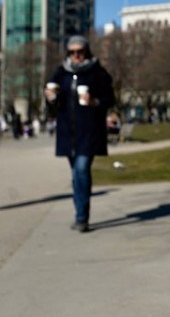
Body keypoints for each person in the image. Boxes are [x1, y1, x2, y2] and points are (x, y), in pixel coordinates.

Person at [45, 35, 115, 233]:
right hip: (68, 132)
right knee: (75, 174)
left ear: (86, 52)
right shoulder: (61, 73)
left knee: (82, 169)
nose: (76, 55)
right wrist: (50, 98)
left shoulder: (97, 72)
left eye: (80, 51)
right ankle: (79, 213)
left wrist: (95, 101)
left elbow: (110, 98)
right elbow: (54, 104)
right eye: (72, 52)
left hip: (90, 131)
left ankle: (82, 217)